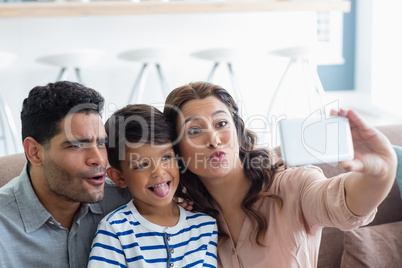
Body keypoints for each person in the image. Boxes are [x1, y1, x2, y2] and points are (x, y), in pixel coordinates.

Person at [163, 81, 397, 268]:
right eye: (194, 130)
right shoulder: (186, 215)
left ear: (237, 130)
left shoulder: (292, 186)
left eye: (221, 123)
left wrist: (380, 172)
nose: (214, 140)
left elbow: (345, 202)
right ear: (176, 149)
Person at [0, 81, 131, 268]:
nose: (99, 160)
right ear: (35, 152)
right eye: (77, 145)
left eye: (101, 143)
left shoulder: (126, 200)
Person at [88, 104, 218, 268]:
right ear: (119, 177)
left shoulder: (205, 226)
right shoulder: (115, 230)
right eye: (141, 165)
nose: (158, 172)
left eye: (166, 157)